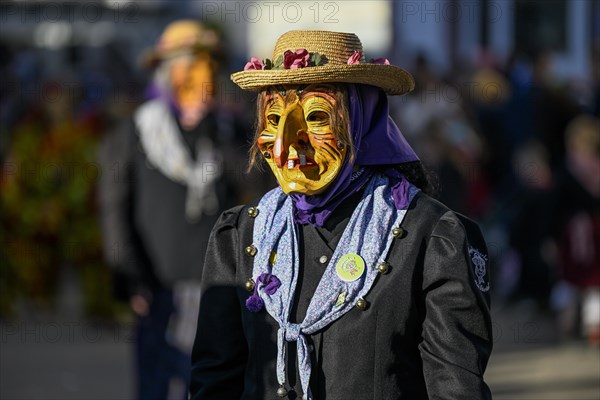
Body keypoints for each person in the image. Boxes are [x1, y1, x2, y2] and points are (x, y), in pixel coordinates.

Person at [190, 30, 493, 400]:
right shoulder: (241, 235)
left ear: (362, 120)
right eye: (273, 118)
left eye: (316, 116)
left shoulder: (428, 236)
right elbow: (215, 380)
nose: (287, 142)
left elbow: (455, 387)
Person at [98, 20, 247, 400]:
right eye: (188, 65)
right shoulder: (134, 132)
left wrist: (213, 126)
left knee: (211, 383)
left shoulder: (228, 131)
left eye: (206, 65)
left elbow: (252, 192)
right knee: (156, 384)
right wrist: (130, 276)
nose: (198, 75)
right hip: (156, 285)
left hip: (215, 284)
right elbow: (114, 209)